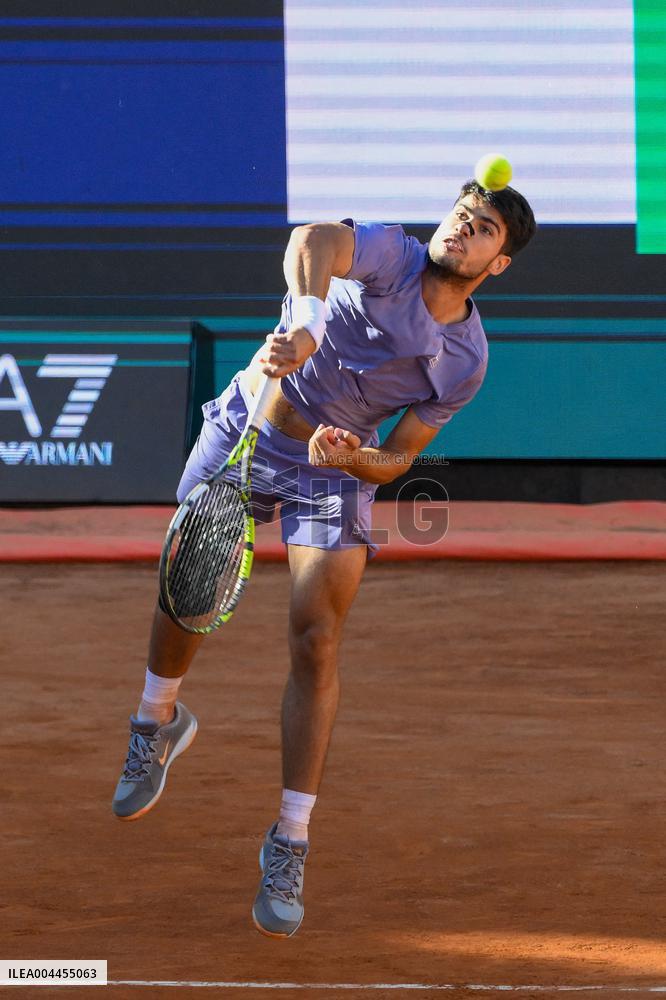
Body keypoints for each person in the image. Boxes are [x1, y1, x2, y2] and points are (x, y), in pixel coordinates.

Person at [111, 180, 537, 938]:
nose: (463, 230)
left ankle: (290, 838)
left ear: (497, 265)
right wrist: (305, 323)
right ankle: (156, 722)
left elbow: (400, 458)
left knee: (318, 638)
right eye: (462, 215)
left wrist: (354, 456)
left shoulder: (464, 359)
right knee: (189, 584)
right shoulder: (392, 254)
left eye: (483, 231)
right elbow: (314, 241)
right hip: (250, 428)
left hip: (327, 475)